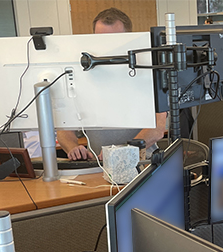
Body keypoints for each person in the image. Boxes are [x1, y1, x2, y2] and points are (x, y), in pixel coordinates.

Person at [56, 8, 167, 160]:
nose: (106, 47)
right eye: (100, 40)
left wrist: (122, 152)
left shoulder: (149, 74)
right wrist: (73, 148)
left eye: (113, 40)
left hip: (141, 164)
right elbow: (64, 129)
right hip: (96, 168)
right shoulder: (81, 79)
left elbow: (157, 128)